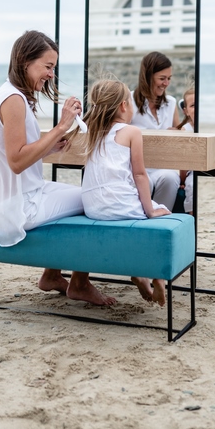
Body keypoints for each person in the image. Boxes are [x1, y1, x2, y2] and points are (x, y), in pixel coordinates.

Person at [0, 30, 115, 307]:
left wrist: (50, 146)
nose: (51, 74)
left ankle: (52, 275)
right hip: (18, 205)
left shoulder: (13, 95)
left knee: (83, 193)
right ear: (25, 62)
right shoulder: (13, 100)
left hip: (18, 195)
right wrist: (62, 126)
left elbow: (14, 154)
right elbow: (16, 162)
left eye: (53, 67)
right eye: (48, 66)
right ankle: (79, 284)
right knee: (93, 198)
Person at [80, 78, 171, 306]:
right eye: (130, 103)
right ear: (123, 105)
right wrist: (150, 208)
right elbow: (140, 174)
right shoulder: (131, 131)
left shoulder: (92, 131)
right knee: (161, 215)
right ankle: (156, 275)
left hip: (92, 207)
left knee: (132, 215)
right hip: (118, 203)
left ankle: (140, 274)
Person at [130, 51, 181, 210]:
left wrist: (176, 134)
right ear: (148, 76)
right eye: (162, 78)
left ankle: (160, 220)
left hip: (162, 169)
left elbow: (180, 142)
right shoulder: (129, 101)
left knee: (171, 176)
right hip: (136, 169)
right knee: (138, 180)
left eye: (169, 78)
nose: (166, 83)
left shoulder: (171, 103)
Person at [177, 87, 195, 215]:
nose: (198, 108)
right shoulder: (186, 130)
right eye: (193, 105)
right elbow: (182, 161)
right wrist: (182, 180)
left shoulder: (207, 128)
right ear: (186, 111)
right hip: (191, 172)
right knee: (192, 187)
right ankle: (192, 216)